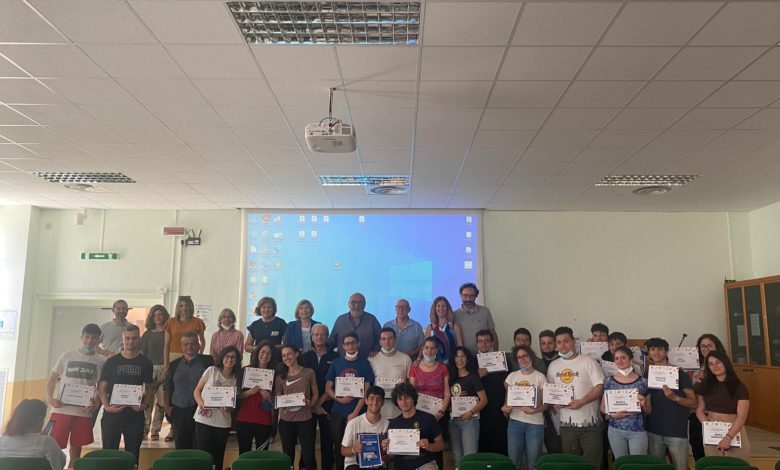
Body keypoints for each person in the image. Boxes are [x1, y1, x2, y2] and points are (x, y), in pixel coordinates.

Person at [46, 323, 106, 467]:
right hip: (61, 409)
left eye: (94, 338)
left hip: (83, 412)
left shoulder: (100, 361)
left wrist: (96, 403)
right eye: (87, 337)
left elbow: (100, 386)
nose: (89, 341)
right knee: (54, 447)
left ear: (99, 340)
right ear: (81, 337)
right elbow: (53, 378)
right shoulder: (67, 355)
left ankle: (72, 467)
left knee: (76, 450)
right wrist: (50, 398)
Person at [546, 326, 605, 469]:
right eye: (559, 342)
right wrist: (553, 403)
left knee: (593, 464)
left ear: (573, 342)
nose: (562, 345)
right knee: (572, 465)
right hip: (566, 426)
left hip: (590, 424)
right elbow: (550, 392)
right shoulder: (553, 366)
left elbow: (599, 387)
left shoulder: (589, 362)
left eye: (566, 341)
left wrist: (582, 402)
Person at [98, 324, 154, 464]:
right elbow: (102, 387)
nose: (130, 342)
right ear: (122, 339)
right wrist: (107, 406)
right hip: (113, 413)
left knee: (133, 454)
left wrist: (145, 405)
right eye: (127, 338)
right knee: (109, 454)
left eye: (134, 338)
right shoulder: (111, 362)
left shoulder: (146, 363)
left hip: (134, 414)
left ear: (139, 339)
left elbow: (149, 388)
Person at [644, 337, 697, 470]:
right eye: (652, 349)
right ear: (649, 352)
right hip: (654, 430)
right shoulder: (647, 375)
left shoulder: (679, 373)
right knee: (656, 467)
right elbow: (647, 406)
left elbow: (693, 403)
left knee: (680, 467)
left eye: (660, 349)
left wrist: (675, 398)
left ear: (666, 351)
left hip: (676, 430)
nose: (656, 352)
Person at [326, 333, 375, 470]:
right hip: (338, 412)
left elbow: (366, 391)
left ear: (358, 343)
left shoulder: (365, 363)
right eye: (347, 343)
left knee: (358, 446)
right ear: (343, 346)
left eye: (353, 342)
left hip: (358, 412)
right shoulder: (336, 363)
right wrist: (339, 399)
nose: (350, 345)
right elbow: (328, 388)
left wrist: (355, 413)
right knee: (338, 445)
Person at [695, 350, 750, 459]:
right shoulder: (705, 385)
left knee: (737, 463)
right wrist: (709, 427)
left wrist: (728, 438)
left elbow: (742, 416)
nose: (714, 366)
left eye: (718, 362)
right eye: (711, 364)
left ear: (725, 363)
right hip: (712, 430)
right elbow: (699, 410)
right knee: (714, 462)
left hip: (734, 430)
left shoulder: (739, 387)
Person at [193, 346, 241, 470]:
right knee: (204, 457)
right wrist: (201, 403)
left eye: (233, 357)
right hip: (204, 420)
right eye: (227, 356)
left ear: (237, 360)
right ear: (222, 357)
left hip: (222, 423)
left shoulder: (237, 378)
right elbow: (197, 391)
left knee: (218, 458)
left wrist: (229, 408)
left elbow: (233, 405)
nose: (230, 360)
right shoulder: (211, 370)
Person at [164, 332, 213, 449]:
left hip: (200, 410)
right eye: (186, 344)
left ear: (198, 345)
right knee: (180, 446)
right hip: (178, 410)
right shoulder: (173, 365)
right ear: (181, 346)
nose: (189, 347)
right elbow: (167, 387)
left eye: (193, 344)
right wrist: (167, 407)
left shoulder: (208, 362)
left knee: (199, 445)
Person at [601, 346, 651, 458]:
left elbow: (649, 411)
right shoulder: (608, 381)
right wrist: (613, 414)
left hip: (637, 430)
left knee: (637, 463)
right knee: (620, 462)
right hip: (615, 430)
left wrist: (643, 404)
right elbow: (603, 408)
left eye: (623, 357)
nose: (620, 361)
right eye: (617, 358)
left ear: (631, 359)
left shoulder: (643, 382)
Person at [503, 345, 547, 470]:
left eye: (525, 356)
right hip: (515, 423)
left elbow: (545, 404)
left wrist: (534, 410)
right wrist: (505, 409)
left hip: (535, 424)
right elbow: (507, 403)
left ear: (531, 356)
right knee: (513, 462)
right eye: (519, 357)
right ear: (516, 360)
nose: (522, 359)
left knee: (533, 464)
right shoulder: (511, 377)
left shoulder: (540, 377)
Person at [275, 344, 318, 470]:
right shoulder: (280, 377)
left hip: (305, 420)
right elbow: (278, 395)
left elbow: (315, 393)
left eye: (289, 354)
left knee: (308, 456)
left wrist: (311, 404)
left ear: (296, 354)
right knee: (288, 456)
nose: (286, 357)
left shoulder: (309, 372)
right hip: (286, 421)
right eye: (283, 355)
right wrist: (282, 404)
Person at [303, 323, 339, 470]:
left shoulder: (336, 357)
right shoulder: (305, 357)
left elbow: (336, 383)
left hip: (328, 405)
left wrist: (319, 403)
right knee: (307, 443)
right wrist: (313, 404)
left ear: (327, 336)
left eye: (323, 334)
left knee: (327, 442)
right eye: (316, 334)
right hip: (308, 406)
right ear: (312, 337)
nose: (320, 337)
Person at [386, 382, 444, 470]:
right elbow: (391, 455)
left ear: (413, 398)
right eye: (400, 399)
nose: (403, 402)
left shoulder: (428, 418)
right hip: (402, 466)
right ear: (397, 402)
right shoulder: (393, 424)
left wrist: (429, 446)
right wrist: (387, 448)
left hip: (424, 464)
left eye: (407, 398)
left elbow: (441, 445)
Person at [448, 346, 487, 470]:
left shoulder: (473, 377)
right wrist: (450, 407)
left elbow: (484, 400)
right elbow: (448, 399)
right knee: (457, 458)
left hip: (469, 421)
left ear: (467, 359)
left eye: (462, 356)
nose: (459, 360)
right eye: (457, 356)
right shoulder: (451, 378)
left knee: (470, 458)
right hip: (454, 422)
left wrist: (470, 412)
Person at [0, 399, 66, 470]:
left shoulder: (2, 441)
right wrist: (53, 439)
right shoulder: (46, 441)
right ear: (39, 419)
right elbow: (60, 463)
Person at [690, 333, 726, 461]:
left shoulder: (722, 366)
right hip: (697, 413)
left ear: (717, 347)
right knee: (698, 447)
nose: (706, 348)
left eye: (710, 345)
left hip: (717, 415)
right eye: (703, 346)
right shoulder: (695, 366)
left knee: (717, 451)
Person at [236, 340, 276, 454]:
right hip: (244, 419)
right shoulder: (246, 370)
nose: (265, 355)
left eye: (269, 353)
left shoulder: (274, 373)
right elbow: (237, 395)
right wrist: (250, 392)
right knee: (244, 454)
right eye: (263, 352)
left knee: (262, 456)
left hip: (264, 420)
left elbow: (276, 400)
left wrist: (268, 397)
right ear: (257, 352)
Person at [475, 329, 509, 455]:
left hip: (499, 408)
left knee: (501, 444)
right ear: (476, 344)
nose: (483, 344)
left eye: (487, 341)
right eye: (480, 341)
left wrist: (506, 404)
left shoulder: (502, 359)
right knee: (482, 445)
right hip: (480, 410)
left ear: (492, 343)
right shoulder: (471, 361)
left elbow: (508, 385)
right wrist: (477, 376)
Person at [341, 386, 390, 470]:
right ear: (366, 401)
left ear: (383, 402)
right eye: (372, 398)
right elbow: (343, 451)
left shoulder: (388, 424)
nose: (375, 402)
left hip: (377, 465)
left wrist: (382, 459)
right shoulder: (353, 423)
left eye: (378, 399)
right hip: (354, 465)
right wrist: (353, 449)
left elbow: (390, 455)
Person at [140, 304, 168, 441]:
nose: (157, 317)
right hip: (149, 368)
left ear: (164, 316)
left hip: (165, 368)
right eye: (155, 315)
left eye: (160, 314)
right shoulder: (147, 334)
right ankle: (145, 428)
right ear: (151, 317)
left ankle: (155, 430)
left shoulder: (168, 332)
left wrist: (167, 367)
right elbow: (141, 352)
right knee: (148, 401)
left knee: (161, 401)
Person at [369, 327, 411, 420]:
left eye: (390, 338)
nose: (387, 342)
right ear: (380, 342)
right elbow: (369, 385)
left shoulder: (405, 359)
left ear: (395, 340)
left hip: (399, 410)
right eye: (383, 339)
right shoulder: (372, 360)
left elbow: (410, 384)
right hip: (378, 411)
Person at [329, 293, 382, 359]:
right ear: (348, 304)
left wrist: (375, 350)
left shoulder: (372, 320)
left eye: (360, 302)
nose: (357, 305)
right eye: (353, 302)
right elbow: (332, 341)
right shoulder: (340, 320)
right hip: (343, 362)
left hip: (367, 361)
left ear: (364, 305)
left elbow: (381, 339)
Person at [163, 296, 206, 375]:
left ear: (190, 307)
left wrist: (200, 354)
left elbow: (202, 341)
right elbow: (166, 344)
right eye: (181, 306)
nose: (184, 308)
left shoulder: (198, 322)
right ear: (178, 308)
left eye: (186, 305)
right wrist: (166, 364)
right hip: (174, 356)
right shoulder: (170, 322)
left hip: (192, 356)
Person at [453, 283, 497, 353]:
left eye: (472, 296)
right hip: (464, 357)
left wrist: (495, 353)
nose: (468, 299)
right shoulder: (454, 315)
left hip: (484, 355)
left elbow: (493, 334)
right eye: (465, 295)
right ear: (461, 295)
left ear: (476, 296)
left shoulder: (485, 312)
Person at [537, 328, 562, 454]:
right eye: (543, 343)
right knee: (551, 441)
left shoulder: (563, 361)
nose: (547, 346)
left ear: (555, 344)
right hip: (545, 409)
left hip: (563, 407)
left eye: (550, 343)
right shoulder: (537, 363)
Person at [246, 297, 287, 362]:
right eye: (263, 307)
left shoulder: (281, 323)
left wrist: (271, 348)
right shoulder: (255, 324)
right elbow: (247, 347)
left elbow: (286, 344)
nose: (266, 309)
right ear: (259, 309)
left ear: (273, 309)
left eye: (269, 307)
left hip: (275, 361)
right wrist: (260, 348)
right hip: (257, 362)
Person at [424, 296, 463, 363]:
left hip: (452, 364)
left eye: (443, 306)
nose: (441, 308)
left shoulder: (455, 327)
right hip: (434, 365)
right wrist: (419, 358)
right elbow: (425, 347)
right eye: (438, 306)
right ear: (434, 308)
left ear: (447, 308)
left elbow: (460, 347)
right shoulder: (430, 328)